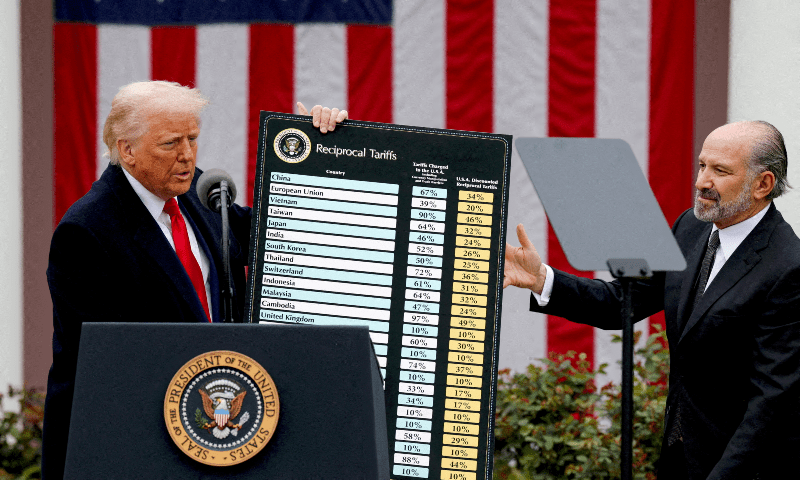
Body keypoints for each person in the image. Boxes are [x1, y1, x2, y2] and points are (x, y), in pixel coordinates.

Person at [43, 81, 347, 479]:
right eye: (170, 143)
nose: (187, 155)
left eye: (192, 138)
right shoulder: (87, 232)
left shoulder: (196, 193)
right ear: (127, 150)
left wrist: (317, 154)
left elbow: (276, 236)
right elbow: (109, 365)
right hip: (133, 449)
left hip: (214, 439)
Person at [504, 121, 800, 479]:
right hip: (679, 457)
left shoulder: (788, 267)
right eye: (702, 165)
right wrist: (542, 279)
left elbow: (772, 402)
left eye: (720, 171)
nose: (701, 182)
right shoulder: (690, 227)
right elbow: (620, 301)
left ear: (763, 184)